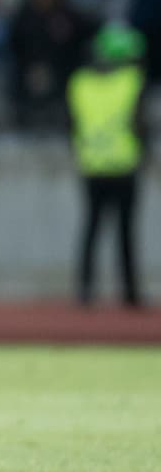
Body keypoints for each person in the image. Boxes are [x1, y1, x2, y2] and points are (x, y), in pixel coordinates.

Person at [67, 23, 148, 308]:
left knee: (91, 229)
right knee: (125, 232)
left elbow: (74, 125)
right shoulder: (131, 81)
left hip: (91, 165)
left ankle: (85, 290)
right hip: (124, 165)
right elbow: (139, 125)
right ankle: (130, 293)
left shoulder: (80, 83)